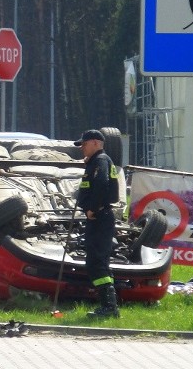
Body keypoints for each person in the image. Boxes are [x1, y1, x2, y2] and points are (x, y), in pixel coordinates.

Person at [74, 129, 121, 318]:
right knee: (99, 262)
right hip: (99, 217)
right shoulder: (96, 161)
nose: (82, 148)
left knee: (96, 262)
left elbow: (101, 184)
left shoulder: (100, 161)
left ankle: (109, 307)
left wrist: (93, 207)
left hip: (99, 216)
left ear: (95, 143)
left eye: (84, 144)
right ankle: (109, 305)